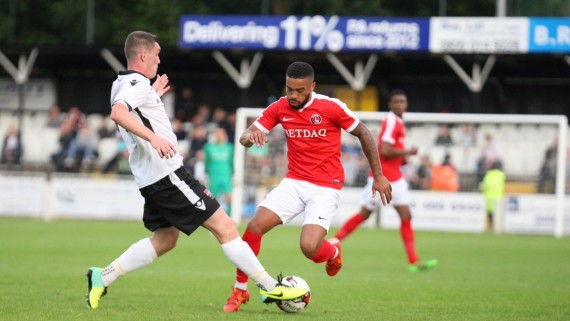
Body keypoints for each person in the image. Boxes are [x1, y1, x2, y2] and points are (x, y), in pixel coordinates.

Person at [85, 31, 308, 311]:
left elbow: (129, 111)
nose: (158, 59)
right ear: (143, 55)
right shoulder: (136, 83)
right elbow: (118, 114)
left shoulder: (122, 83)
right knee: (225, 227)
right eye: (156, 54)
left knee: (166, 239)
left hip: (150, 179)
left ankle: (102, 277)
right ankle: (269, 287)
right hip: (167, 175)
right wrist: (155, 137)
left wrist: (151, 97)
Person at [223, 61, 393, 312]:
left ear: (312, 86)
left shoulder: (330, 107)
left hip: (325, 186)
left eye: (300, 90)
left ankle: (333, 251)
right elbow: (245, 135)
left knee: (309, 248)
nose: (293, 95)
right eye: (289, 89)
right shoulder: (280, 107)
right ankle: (240, 290)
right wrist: (251, 137)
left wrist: (378, 175)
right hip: (294, 182)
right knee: (254, 227)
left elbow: (364, 133)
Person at [333, 89, 438, 273]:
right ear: (390, 105)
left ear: (406, 104)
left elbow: (391, 152)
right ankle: (334, 243)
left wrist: (403, 159)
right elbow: (386, 150)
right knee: (364, 214)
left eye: (402, 101)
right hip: (382, 178)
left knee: (406, 216)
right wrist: (407, 152)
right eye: (396, 101)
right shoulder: (391, 120)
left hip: (396, 178)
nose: (399, 104)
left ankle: (413, 261)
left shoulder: (398, 122)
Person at [203, 127, 234, 215]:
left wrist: (234, 174)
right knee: (213, 199)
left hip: (226, 176)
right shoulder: (208, 147)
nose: (220, 136)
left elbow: (232, 162)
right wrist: (205, 174)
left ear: (225, 135)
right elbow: (206, 162)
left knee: (229, 197)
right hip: (213, 176)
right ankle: (214, 217)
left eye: (221, 134)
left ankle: (229, 216)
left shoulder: (229, 147)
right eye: (218, 134)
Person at [478, 160, 506, 231]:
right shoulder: (501, 175)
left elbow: (484, 186)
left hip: (489, 199)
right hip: (499, 199)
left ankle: (492, 228)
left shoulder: (489, 175)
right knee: (498, 216)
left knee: (490, 216)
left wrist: (480, 186)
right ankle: (498, 228)